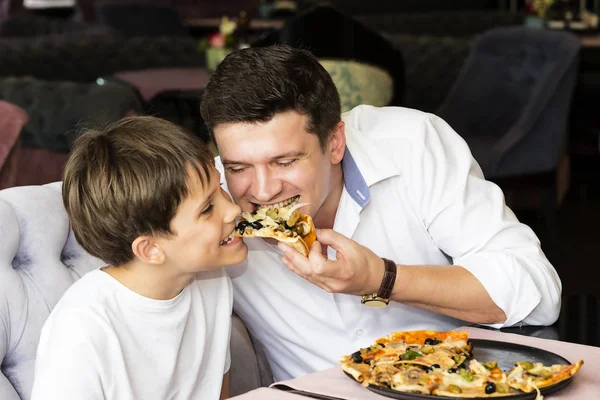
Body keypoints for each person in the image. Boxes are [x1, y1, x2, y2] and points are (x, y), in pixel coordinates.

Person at [200, 45, 562, 381]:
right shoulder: (207, 205)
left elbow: (537, 294)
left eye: (285, 161)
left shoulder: (413, 144)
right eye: (239, 168)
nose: (262, 191)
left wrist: (382, 277)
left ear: (335, 142)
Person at [31, 116, 247, 399]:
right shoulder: (82, 330)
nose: (233, 211)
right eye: (207, 209)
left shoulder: (212, 279)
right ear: (150, 250)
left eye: (220, 189)